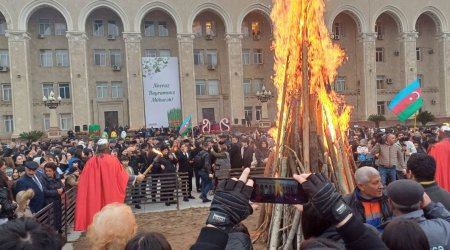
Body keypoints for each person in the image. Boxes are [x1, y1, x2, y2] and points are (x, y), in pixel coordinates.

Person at [74, 139, 145, 231]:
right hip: (109, 195)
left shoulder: (90, 162)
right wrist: (136, 178)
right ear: (107, 148)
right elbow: (122, 177)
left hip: (95, 196)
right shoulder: (112, 160)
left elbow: (84, 182)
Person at [384, 179, 450, 249]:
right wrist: (430, 206)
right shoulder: (443, 226)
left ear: (390, 203)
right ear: (422, 201)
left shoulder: (385, 235)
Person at [40, 162, 64, 232]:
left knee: (58, 216)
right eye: (46, 171)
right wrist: (57, 191)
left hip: (58, 200)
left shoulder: (57, 176)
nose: (48, 173)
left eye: (50, 171)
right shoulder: (42, 179)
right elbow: (44, 191)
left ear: (54, 171)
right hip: (49, 202)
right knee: (51, 219)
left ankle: (59, 230)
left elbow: (62, 185)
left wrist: (62, 189)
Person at [428, 125, 450, 192]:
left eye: (438, 132)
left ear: (442, 133)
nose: (437, 134)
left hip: (440, 184)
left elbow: (430, 165)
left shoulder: (436, 147)